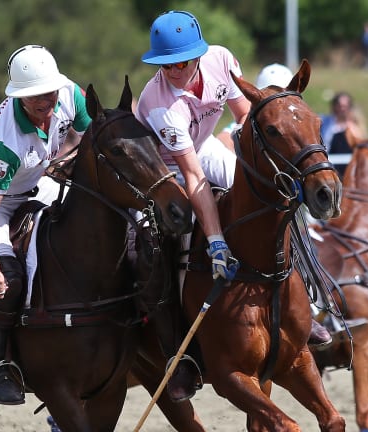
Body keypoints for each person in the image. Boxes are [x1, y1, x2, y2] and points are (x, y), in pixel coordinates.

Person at [0, 44, 91, 405]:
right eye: (34, 98)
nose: (45, 102)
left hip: (34, 183)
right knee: (9, 282)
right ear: (20, 98)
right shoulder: (5, 141)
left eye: (49, 92)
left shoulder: (70, 95)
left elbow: (96, 136)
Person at [134, 10, 249, 402]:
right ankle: (177, 350)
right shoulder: (159, 103)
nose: (174, 70)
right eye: (165, 64)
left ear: (198, 55)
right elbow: (193, 176)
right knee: (177, 237)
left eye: (181, 62)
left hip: (208, 147)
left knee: (267, 197)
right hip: (163, 172)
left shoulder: (221, 60)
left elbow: (246, 116)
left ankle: (309, 301)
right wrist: (216, 240)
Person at [217, 62, 333, 347]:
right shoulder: (235, 128)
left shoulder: (293, 122)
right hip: (241, 207)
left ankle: (313, 310)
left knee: (302, 233)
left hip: (277, 204)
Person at [320, 91, 365, 178]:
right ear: (334, 106)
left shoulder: (355, 127)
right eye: (340, 106)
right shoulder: (325, 123)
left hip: (349, 170)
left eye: (345, 106)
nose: (342, 109)